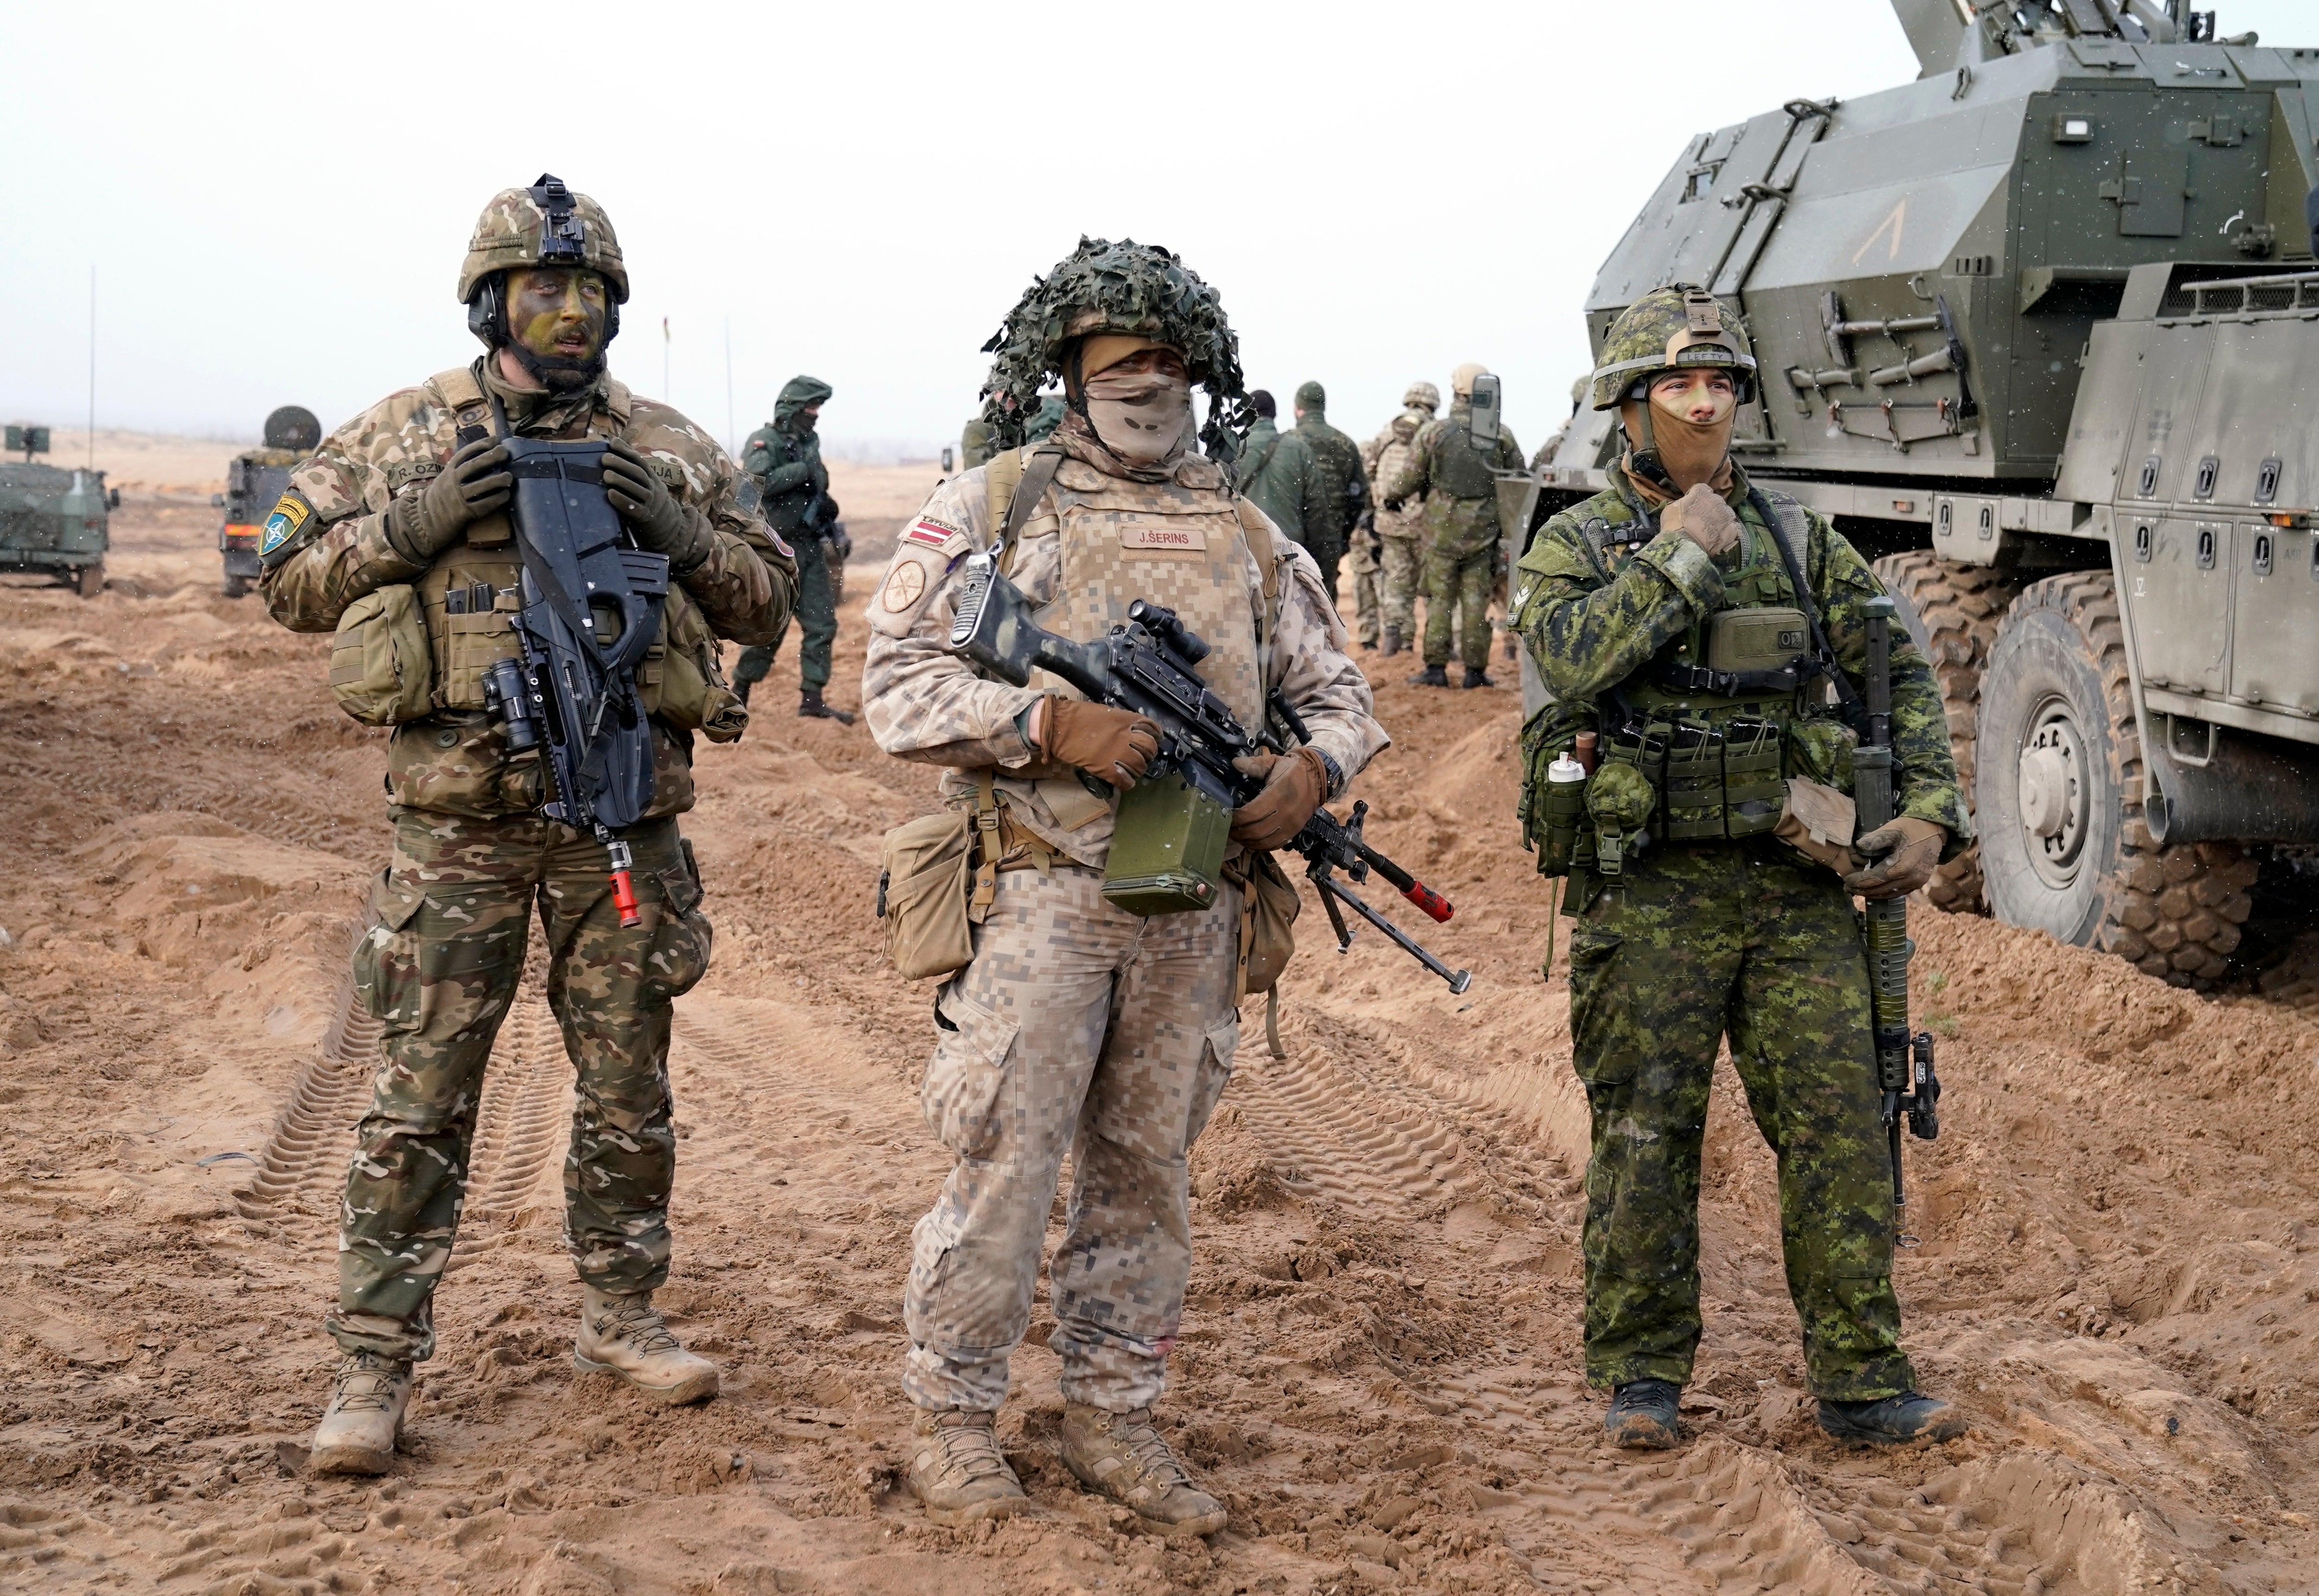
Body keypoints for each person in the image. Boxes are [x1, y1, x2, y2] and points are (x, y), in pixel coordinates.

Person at [259, 175, 794, 1475]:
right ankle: (372, 1369)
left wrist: (680, 532)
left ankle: (622, 1314)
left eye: (590, 292)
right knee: (419, 1097)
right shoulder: (403, 436)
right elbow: (285, 578)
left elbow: (765, 595)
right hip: (461, 829)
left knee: (627, 1090)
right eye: (543, 289)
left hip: (619, 821)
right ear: (490, 299)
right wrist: (410, 526)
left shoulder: (665, 444)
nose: (569, 311)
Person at [861, 238, 1387, 1534]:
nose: (1148, 382)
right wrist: (1051, 727)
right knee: (1006, 1164)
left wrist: (1311, 776)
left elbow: (1339, 694)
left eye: (1168, 361)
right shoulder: (996, 509)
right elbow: (897, 687)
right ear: (1070, 371)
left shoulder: (1247, 531)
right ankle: (952, 1415)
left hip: (1190, 907)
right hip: (1044, 895)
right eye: (1119, 360)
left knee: (1146, 1175)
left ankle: (1115, 1416)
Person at [1509, 283, 1967, 1451]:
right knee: (1646, 1132)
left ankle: (1863, 1380)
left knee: (1838, 1129)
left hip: (1796, 887)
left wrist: (1926, 811)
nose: (1703, 406)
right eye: (1677, 385)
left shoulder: (1802, 541)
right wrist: (1675, 561)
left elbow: (1894, 678)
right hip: (1649, 887)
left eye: (1720, 386)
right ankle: (1642, 1377)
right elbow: (1566, 661)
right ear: (1629, 405)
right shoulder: (1576, 542)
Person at [1384, 364, 1521, 689]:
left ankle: (1436, 669)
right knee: (1476, 603)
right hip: (1484, 533)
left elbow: (1410, 478)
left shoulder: (1434, 432)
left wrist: (1392, 498)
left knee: (1440, 602)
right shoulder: (1501, 435)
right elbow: (1517, 478)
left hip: (1441, 533)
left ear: (1456, 391)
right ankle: (1475, 671)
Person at [736, 376, 854, 723]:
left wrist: (821, 493)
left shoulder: (809, 441)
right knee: (770, 627)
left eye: (818, 408)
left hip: (809, 547)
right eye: (810, 407)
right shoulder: (765, 441)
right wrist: (802, 471)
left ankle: (812, 699)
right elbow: (757, 483)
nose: (815, 415)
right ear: (792, 407)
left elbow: (818, 478)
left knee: (822, 625)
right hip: (775, 549)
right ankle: (739, 690)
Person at [1361, 381, 1436, 657]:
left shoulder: (1386, 435)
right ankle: (1437, 647)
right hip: (1426, 526)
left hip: (1390, 524)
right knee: (1432, 590)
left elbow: (1368, 471)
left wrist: (1382, 505)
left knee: (1396, 585)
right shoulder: (1434, 434)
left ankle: (1396, 643)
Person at [1289, 380, 1367, 612]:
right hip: (1331, 537)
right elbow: (1359, 496)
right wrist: (1342, 535)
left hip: (1296, 536)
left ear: (1298, 408)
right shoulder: (1346, 444)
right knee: (1325, 603)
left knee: (1293, 602)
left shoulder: (1288, 443)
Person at [1232, 389, 1326, 552]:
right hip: (1289, 550)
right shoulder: (1299, 450)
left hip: (1245, 550)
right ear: (1274, 414)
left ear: (1246, 415)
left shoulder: (1233, 451)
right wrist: (1312, 551)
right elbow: (1317, 506)